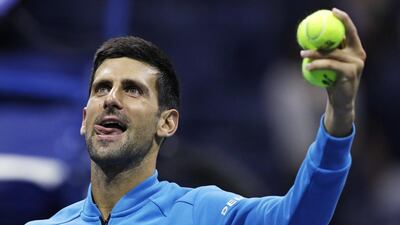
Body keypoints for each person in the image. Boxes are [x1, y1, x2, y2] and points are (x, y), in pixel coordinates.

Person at [26, 8, 366, 225]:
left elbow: (297, 218)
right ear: (85, 118)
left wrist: (339, 114)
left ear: (167, 122)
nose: (111, 99)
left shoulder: (202, 213)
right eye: (101, 88)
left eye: (132, 90)